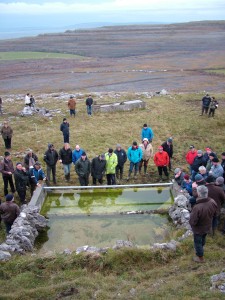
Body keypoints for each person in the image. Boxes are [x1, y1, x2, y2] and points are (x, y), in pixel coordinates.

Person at [189, 185, 217, 263]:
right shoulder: (212, 201)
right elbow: (215, 214)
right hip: (208, 226)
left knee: (197, 242)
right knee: (203, 238)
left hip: (198, 229)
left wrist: (192, 224)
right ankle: (201, 247)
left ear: (198, 194)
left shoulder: (197, 207)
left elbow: (192, 221)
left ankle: (200, 258)